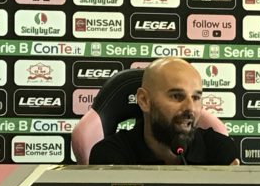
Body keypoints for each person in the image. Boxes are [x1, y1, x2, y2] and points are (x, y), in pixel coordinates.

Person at [89, 57, 240, 165]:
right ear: (144, 100)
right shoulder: (111, 154)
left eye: (196, 97)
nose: (190, 108)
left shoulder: (220, 149)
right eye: (176, 96)